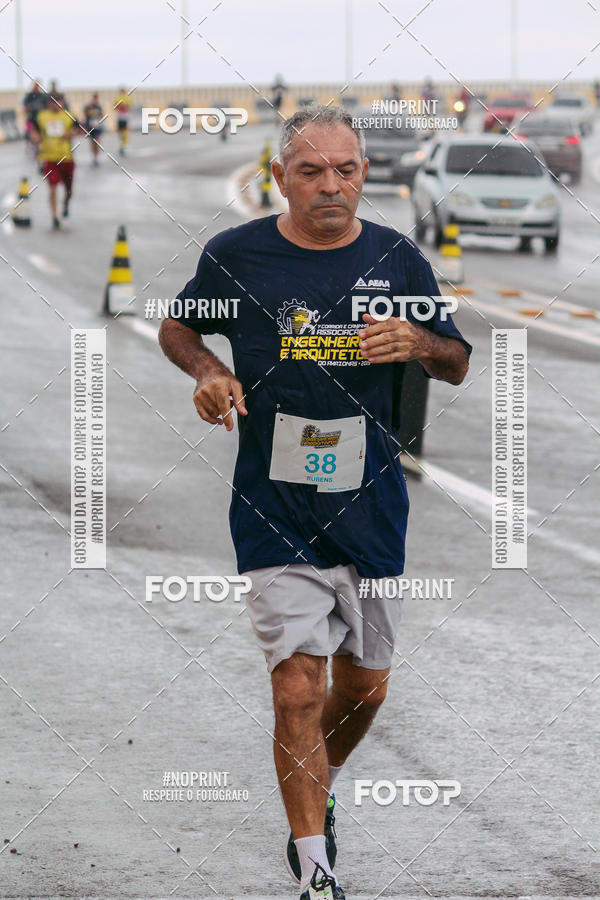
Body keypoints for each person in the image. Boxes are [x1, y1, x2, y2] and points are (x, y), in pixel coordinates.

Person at [158, 104, 471, 899]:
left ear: (364, 174)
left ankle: (314, 780)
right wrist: (207, 373)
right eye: (311, 171)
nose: (331, 185)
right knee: (298, 685)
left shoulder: (398, 258)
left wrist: (419, 342)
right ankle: (315, 869)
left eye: (346, 170)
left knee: (363, 688)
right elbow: (179, 328)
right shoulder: (238, 256)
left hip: (370, 507)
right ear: (280, 179)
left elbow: (458, 360)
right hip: (273, 503)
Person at [31, 94, 84, 229]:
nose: (55, 105)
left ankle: (66, 203)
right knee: (52, 187)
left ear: (62, 103)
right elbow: (33, 130)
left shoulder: (69, 115)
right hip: (49, 158)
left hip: (66, 158)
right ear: (49, 103)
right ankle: (55, 217)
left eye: (57, 102)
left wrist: (70, 134)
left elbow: (81, 130)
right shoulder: (42, 116)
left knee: (69, 189)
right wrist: (36, 138)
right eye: (52, 102)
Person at [22, 80, 47, 155]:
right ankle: (31, 143)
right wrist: (30, 107)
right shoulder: (29, 96)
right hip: (30, 119)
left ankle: (39, 146)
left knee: (40, 133)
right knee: (29, 131)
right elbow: (25, 107)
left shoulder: (42, 96)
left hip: (40, 119)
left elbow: (45, 107)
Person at [83, 92, 104, 166]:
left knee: (97, 142)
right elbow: (85, 115)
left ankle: (96, 158)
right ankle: (94, 157)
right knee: (92, 143)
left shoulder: (99, 107)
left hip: (97, 127)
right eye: (94, 98)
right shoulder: (88, 106)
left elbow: (102, 116)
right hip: (90, 127)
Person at [113, 88, 131, 156]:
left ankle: (123, 145)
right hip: (121, 118)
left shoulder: (124, 98)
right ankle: (122, 145)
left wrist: (121, 106)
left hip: (123, 118)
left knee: (123, 133)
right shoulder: (120, 98)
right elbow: (116, 106)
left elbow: (127, 107)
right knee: (121, 133)